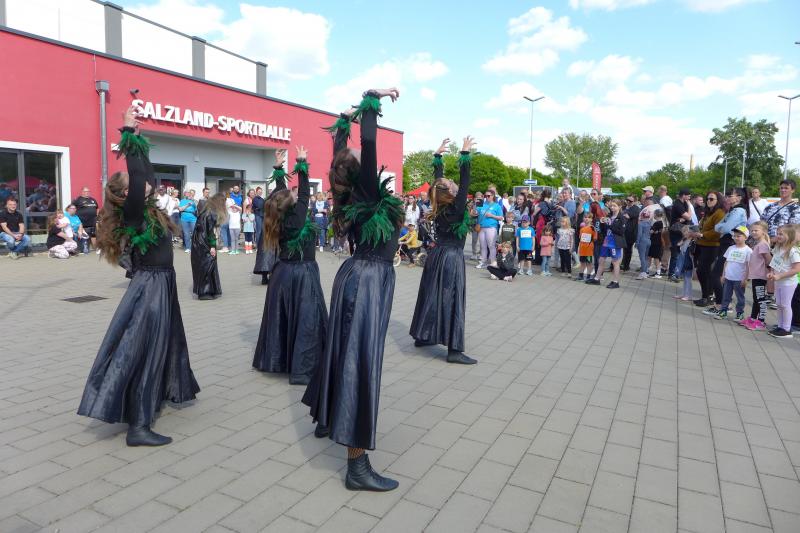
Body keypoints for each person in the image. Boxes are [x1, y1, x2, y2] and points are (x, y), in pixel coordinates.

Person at [78, 105, 199, 446]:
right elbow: (137, 176)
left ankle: (151, 401)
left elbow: (148, 176)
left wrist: (141, 146)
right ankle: (138, 427)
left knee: (159, 346)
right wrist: (128, 135)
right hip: (150, 287)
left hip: (162, 283)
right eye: (135, 183)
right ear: (125, 194)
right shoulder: (132, 213)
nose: (145, 184)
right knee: (144, 350)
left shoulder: (148, 208)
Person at [302, 88, 404, 491]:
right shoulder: (365, 191)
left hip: (359, 277)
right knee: (359, 363)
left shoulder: (352, 190)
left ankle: (327, 419)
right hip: (367, 281)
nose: (367, 160)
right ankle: (357, 466)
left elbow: (342, 153)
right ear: (359, 173)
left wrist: (343, 122)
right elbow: (369, 143)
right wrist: (370, 102)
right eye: (362, 160)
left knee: (344, 353)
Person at [253, 145, 328, 385]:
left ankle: (281, 360)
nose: (295, 194)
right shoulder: (297, 216)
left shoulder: (278, 214)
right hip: (302, 273)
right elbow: (304, 192)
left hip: (282, 273)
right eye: (292, 195)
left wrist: (278, 167)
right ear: (291, 202)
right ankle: (303, 369)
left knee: (283, 318)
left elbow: (279, 194)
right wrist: (301, 162)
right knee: (306, 318)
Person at [410, 137, 476, 365]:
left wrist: (438, 158)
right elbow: (465, 180)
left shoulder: (439, 205)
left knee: (431, 295)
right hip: (451, 258)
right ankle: (454, 351)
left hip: (437, 255)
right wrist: (464, 154)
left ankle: (422, 335)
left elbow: (437, 184)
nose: (455, 183)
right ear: (449, 192)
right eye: (450, 183)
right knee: (453, 299)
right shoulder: (456, 207)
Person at [253, 159, 288, 284]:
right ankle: (272, 275)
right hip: (273, 228)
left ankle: (265, 276)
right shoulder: (276, 203)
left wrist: (278, 169)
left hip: (267, 228)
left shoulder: (267, 201)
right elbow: (281, 186)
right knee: (272, 251)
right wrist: (278, 169)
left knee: (266, 250)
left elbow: (280, 186)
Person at [705, 226, 751, 320]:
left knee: (740, 297)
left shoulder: (748, 251)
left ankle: (740, 313)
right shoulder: (730, 248)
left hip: (739, 279)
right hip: (728, 277)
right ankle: (723, 311)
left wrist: (746, 279)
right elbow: (726, 262)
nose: (736, 238)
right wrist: (723, 275)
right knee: (726, 296)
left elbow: (748, 266)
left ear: (746, 237)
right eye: (734, 236)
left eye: (739, 236)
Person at [766, 224, 800, 338]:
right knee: (779, 304)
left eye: (781, 234)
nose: (778, 236)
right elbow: (774, 263)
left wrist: (780, 276)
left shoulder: (793, 251)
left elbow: (796, 269)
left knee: (785, 305)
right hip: (778, 281)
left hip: (788, 283)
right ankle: (780, 326)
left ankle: (786, 329)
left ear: (789, 236)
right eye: (777, 233)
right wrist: (772, 272)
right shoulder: (778, 248)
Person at [191, 193, 226, 299]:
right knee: (207, 264)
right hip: (204, 241)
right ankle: (204, 292)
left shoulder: (206, 210)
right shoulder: (211, 213)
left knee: (206, 264)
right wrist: (212, 246)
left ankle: (211, 289)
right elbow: (210, 231)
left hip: (199, 240)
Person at [587, 199, 626, 288]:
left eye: (614, 206)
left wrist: (609, 225)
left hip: (615, 243)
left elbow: (621, 231)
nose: (612, 207)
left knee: (615, 262)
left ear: (619, 207)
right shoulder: (608, 216)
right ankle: (597, 279)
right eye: (611, 206)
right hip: (606, 241)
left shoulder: (622, 218)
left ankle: (615, 281)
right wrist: (602, 223)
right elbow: (605, 229)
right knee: (601, 260)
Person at [741, 221, 772, 331]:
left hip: (760, 276)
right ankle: (753, 319)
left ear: (764, 231)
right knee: (756, 298)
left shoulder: (763, 245)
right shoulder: (759, 244)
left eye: (756, 230)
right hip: (756, 275)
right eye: (752, 230)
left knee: (760, 299)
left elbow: (769, 260)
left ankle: (761, 322)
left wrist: (770, 272)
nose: (753, 232)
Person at [668, 188, 692, 279]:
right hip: (676, 231)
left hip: (682, 231)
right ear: (683, 195)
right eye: (688, 195)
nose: (689, 198)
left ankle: (677, 272)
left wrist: (685, 217)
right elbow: (689, 217)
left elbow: (688, 217)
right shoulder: (678, 204)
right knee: (675, 253)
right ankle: (671, 273)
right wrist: (689, 206)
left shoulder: (684, 203)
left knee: (681, 253)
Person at [476, 189, 504, 268]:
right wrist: (475, 205)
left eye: (488, 196)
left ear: (493, 196)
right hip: (481, 227)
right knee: (483, 246)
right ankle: (483, 262)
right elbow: (475, 213)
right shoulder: (481, 204)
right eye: (485, 196)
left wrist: (492, 216)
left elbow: (501, 217)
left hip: (491, 228)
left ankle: (492, 262)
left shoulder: (496, 206)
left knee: (491, 246)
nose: (487, 197)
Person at [634, 196, 660, 280]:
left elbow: (639, 234)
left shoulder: (640, 224)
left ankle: (643, 273)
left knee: (642, 257)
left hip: (642, 241)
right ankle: (645, 271)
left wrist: (637, 242)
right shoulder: (649, 223)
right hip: (649, 241)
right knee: (646, 257)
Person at [672, 225, 696, 301]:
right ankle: (684, 294)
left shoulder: (692, 242)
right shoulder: (685, 240)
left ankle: (689, 295)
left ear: (690, 232)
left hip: (688, 262)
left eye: (686, 232)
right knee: (685, 279)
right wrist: (682, 241)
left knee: (688, 279)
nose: (684, 233)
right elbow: (678, 245)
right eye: (683, 232)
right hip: (684, 261)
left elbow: (692, 254)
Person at [72, 186, 99, 252]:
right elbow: (72, 208)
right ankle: (81, 248)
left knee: (93, 234)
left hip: (92, 220)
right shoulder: (78, 200)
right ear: (82, 192)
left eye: (88, 191)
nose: (87, 192)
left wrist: (97, 215)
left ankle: (95, 248)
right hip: (82, 221)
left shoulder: (93, 200)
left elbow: (97, 208)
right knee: (82, 234)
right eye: (85, 191)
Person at [620, 195, 640, 272]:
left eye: (630, 201)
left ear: (634, 202)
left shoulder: (636, 209)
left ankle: (626, 265)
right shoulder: (624, 207)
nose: (628, 202)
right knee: (624, 249)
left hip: (631, 232)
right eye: (627, 200)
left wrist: (624, 215)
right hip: (623, 231)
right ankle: (622, 263)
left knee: (628, 249)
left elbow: (627, 216)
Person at [577, 213, 597, 281]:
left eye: (588, 217)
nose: (586, 219)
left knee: (589, 263)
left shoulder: (592, 228)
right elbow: (580, 237)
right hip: (582, 248)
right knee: (582, 262)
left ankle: (588, 276)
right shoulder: (582, 228)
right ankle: (581, 275)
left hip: (589, 249)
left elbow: (595, 238)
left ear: (591, 219)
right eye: (585, 217)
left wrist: (590, 239)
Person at [647, 209, 665, 278]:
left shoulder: (657, 223)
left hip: (655, 242)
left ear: (655, 214)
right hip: (657, 242)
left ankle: (656, 272)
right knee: (653, 257)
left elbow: (651, 232)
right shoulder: (661, 223)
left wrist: (651, 229)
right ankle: (654, 271)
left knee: (654, 257)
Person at [468, 191, 484, 261]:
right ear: (475, 198)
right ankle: (474, 254)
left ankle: (481, 254)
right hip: (474, 224)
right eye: (477, 198)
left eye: (480, 198)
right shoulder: (472, 204)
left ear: (482, 198)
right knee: (474, 239)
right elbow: (469, 213)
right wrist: (474, 205)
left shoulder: (484, 205)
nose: (479, 199)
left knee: (482, 240)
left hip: (482, 224)